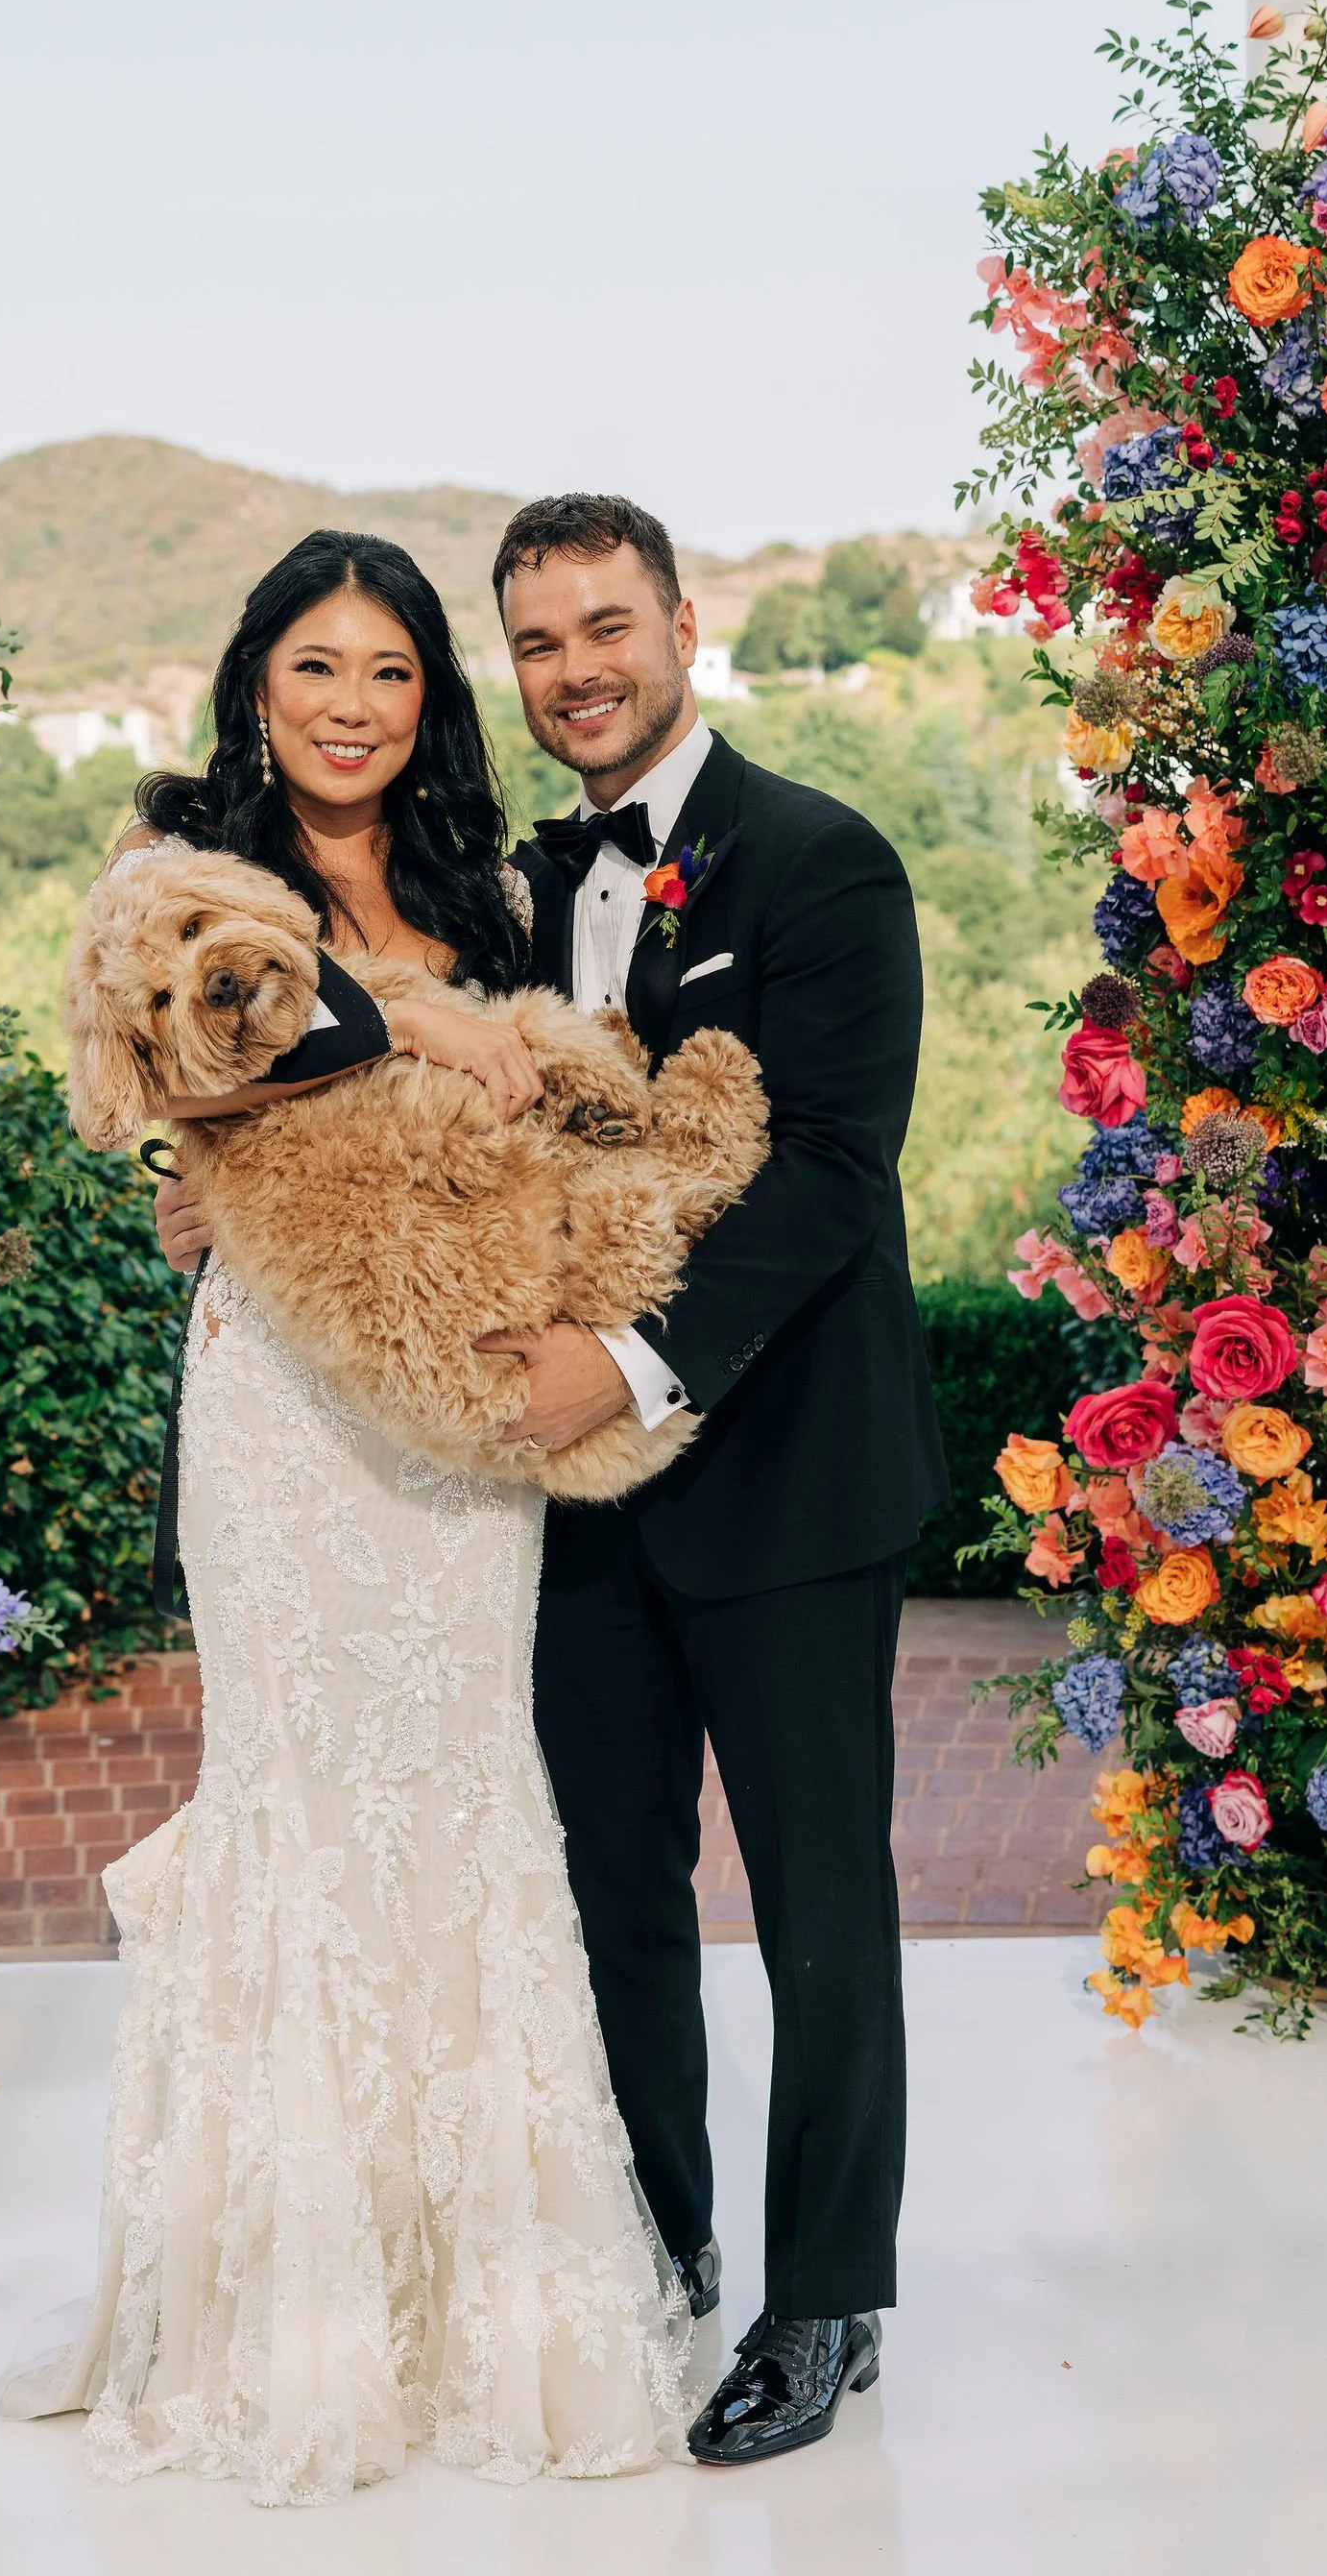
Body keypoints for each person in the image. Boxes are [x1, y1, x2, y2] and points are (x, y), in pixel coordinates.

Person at [159, 490, 948, 2467]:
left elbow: (834, 1182)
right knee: (605, 1894)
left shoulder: (823, 862)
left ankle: (825, 2295)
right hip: (550, 1488)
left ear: (682, 621)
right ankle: (656, 2241)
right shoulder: (505, 876)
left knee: (817, 1900)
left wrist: (626, 1353)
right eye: (540, 638)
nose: (578, 666)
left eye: (609, 625)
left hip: (779, 1474)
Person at [1, 527, 692, 2507]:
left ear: (426, 699)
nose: (352, 705)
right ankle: (277, 2312)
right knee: (301, 1784)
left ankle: (496, 2295)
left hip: (455, 1404)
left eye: (390, 671)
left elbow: (549, 1106)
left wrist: (486, 1068)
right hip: (282, 1416)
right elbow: (202, 1041)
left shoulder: (487, 884)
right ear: (255, 682)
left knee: (465, 1777)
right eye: (317, 665)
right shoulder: (178, 864)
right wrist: (417, 1032)